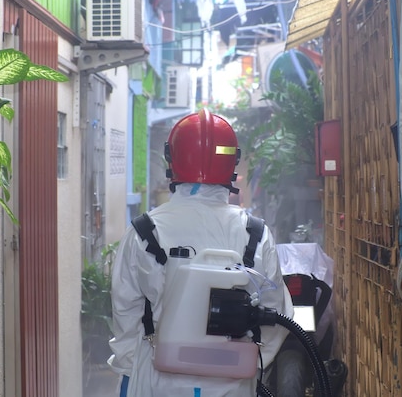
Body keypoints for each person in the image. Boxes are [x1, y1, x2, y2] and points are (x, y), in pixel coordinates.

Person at [108, 108, 293, 397]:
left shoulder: (144, 232)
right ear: (232, 162)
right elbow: (276, 316)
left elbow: (126, 314)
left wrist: (138, 370)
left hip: (157, 383)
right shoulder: (256, 235)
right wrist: (244, 365)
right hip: (233, 386)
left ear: (172, 159)